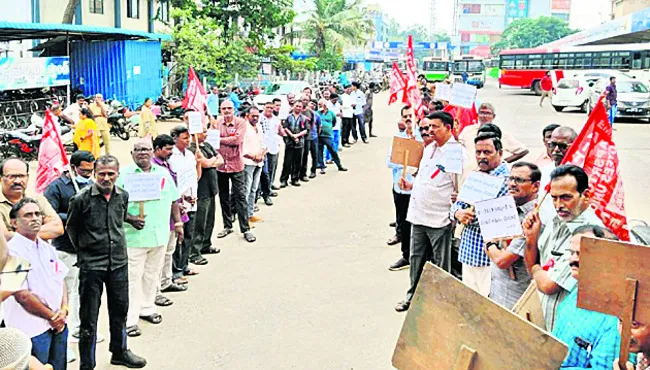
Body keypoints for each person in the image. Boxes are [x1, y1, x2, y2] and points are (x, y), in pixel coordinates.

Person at [67, 155, 147, 369]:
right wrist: (86, 251)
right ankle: (87, 364)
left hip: (119, 263)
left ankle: (119, 352)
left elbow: (119, 218)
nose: (106, 177)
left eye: (111, 173)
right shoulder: (81, 199)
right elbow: (71, 229)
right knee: (88, 319)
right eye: (101, 173)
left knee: (120, 310)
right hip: (92, 266)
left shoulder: (123, 195)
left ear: (117, 174)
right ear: (94, 174)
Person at [394, 111, 465, 312]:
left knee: (441, 263)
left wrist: (455, 211)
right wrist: (411, 186)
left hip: (439, 219)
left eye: (435, 127)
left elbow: (459, 186)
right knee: (416, 259)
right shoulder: (429, 148)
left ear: (448, 128)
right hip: (418, 215)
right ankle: (413, 296)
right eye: (428, 126)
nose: (430, 130)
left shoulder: (455, 152)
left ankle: (442, 301)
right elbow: (426, 178)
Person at [523, 165, 604, 331]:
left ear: (585, 196)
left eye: (566, 197)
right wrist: (531, 238)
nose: (558, 204)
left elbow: (548, 285)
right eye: (554, 198)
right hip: (543, 323)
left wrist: (536, 269)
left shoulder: (589, 235)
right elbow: (531, 265)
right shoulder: (556, 221)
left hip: (567, 331)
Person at [115, 140, 182, 337]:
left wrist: (178, 224)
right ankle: (130, 319)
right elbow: (114, 204)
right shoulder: (124, 176)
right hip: (134, 237)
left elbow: (173, 200)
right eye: (138, 150)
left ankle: (147, 308)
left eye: (146, 149)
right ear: (132, 153)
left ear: (152, 152)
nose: (142, 153)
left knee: (152, 275)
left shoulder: (162, 173)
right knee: (133, 279)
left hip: (159, 234)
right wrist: (130, 218)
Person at [43, 151, 100, 360]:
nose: (88, 174)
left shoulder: (91, 183)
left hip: (87, 248)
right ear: (73, 167)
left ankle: (80, 327)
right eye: (84, 170)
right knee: (66, 293)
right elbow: (50, 214)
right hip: (65, 248)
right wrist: (77, 215)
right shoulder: (56, 187)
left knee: (83, 291)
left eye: (90, 170)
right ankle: (67, 336)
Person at [3, 198, 69, 369]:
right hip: (32, 329)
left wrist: (63, 310)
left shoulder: (47, 247)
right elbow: (22, 296)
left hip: (58, 324)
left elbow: (60, 279)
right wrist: (52, 317)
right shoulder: (13, 251)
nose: (35, 218)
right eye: (28, 215)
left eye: (38, 214)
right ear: (14, 222)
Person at [552, 225, 620, 369]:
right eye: (571, 253)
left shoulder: (615, 317)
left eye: (581, 253)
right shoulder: (576, 292)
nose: (572, 259)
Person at [452, 134, 510, 297]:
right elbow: (457, 204)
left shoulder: (507, 180)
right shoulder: (476, 175)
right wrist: (458, 213)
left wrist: (470, 217)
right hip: (468, 252)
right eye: (478, 152)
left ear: (500, 153)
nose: (482, 157)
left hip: (489, 259)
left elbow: (498, 219)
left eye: (487, 152)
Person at [486, 162, 540, 309]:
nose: (512, 184)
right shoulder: (508, 209)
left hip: (517, 298)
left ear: (535, 186)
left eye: (520, 180)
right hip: (497, 291)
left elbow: (502, 261)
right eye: (510, 179)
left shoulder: (533, 218)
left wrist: (489, 244)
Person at [152, 134, 188, 309]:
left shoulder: (167, 164)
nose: (170, 152)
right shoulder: (153, 168)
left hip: (173, 214)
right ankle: (156, 290)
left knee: (169, 252)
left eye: (171, 149)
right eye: (167, 149)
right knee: (158, 256)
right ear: (157, 149)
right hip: (161, 216)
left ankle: (166, 281)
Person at [213, 100, 256, 243]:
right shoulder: (216, 123)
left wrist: (219, 139)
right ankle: (227, 225)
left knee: (240, 197)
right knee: (223, 197)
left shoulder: (240, 123)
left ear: (234, 109)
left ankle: (246, 229)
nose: (226, 110)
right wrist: (223, 139)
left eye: (229, 108)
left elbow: (237, 141)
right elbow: (212, 141)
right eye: (224, 108)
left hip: (236, 165)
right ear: (220, 109)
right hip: (220, 166)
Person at [0, 158, 63, 240]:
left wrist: (16, 233)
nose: (18, 181)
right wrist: (38, 230)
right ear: (1, 178)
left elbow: (57, 228)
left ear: (28, 177)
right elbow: (4, 237)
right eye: (12, 176)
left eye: (22, 176)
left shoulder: (38, 200)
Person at [168, 125, 201, 281]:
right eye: (185, 138)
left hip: (192, 200)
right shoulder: (171, 158)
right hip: (179, 204)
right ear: (175, 138)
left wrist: (199, 161)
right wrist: (181, 198)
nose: (188, 141)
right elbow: (173, 183)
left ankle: (185, 264)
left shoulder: (189, 154)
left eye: (189, 137)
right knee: (178, 237)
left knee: (189, 235)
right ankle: (176, 271)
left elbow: (195, 176)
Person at [188, 125, 223, 265]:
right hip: (201, 191)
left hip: (211, 189)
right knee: (199, 223)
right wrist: (211, 162)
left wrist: (212, 162)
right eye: (203, 132)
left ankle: (205, 244)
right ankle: (194, 252)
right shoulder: (192, 150)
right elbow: (206, 164)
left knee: (210, 219)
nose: (206, 134)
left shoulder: (207, 145)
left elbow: (220, 159)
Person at [386, 116, 417, 272]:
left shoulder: (424, 139)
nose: (408, 122)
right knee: (403, 223)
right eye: (406, 119)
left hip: (418, 191)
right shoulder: (399, 140)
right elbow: (389, 161)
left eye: (411, 119)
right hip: (400, 188)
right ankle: (406, 256)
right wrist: (404, 160)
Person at [458, 103, 529, 166]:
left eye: (488, 113)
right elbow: (458, 146)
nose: (484, 116)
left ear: (493, 116)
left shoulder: (499, 133)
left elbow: (523, 150)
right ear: (477, 115)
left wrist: (502, 162)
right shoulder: (468, 130)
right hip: (469, 171)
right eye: (482, 113)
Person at [242, 107, 266, 223]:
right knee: (246, 190)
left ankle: (250, 214)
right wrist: (253, 157)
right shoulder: (244, 128)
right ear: (247, 115)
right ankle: (244, 218)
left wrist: (262, 154)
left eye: (257, 116)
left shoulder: (259, 127)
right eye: (253, 116)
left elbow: (263, 143)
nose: (255, 118)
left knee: (254, 189)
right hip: (248, 162)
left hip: (259, 162)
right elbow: (242, 148)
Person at [259, 101, 284, 204]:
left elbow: (280, 131)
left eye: (271, 108)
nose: (269, 109)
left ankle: (268, 189)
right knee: (263, 172)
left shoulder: (276, 119)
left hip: (273, 147)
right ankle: (261, 190)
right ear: (264, 108)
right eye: (267, 107)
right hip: (262, 148)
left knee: (271, 170)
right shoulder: (259, 118)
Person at [280, 101, 308, 188]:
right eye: (297, 106)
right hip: (290, 142)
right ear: (293, 106)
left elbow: (306, 130)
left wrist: (297, 136)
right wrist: (292, 136)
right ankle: (284, 180)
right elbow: (285, 127)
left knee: (298, 162)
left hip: (300, 142)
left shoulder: (304, 118)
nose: (298, 108)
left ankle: (295, 179)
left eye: (300, 106)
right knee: (287, 162)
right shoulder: (288, 117)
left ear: (302, 108)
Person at [316, 99, 347, 174]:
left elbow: (334, 122)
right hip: (319, 135)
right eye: (319, 104)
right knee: (319, 151)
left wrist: (328, 128)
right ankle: (322, 167)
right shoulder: (317, 113)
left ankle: (339, 165)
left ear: (325, 105)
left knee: (332, 150)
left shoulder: (331, 113)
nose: (319, 106)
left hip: (328, 135)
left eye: (321, 104)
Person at [299, 97, 318, 181]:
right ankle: (295, 176)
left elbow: (313, 123)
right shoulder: (296, 110)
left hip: (308, 137)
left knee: (306, 156)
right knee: (298, 157)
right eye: (303, 99)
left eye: (307, 100)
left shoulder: (310, 112)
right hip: (297, 137)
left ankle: (304, 174)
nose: (305, 101)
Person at [325, 93, 342, 163]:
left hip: (337, 126)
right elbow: (326, 114)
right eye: (334, 100)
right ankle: (327, 158)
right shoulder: (327, 105)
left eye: (336, 99)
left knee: (336, 142)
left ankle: (334, 157)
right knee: (329, 143)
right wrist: (335, 114)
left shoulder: (338, 104)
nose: (335, 101)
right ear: (331, 99)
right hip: (330, 127)